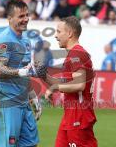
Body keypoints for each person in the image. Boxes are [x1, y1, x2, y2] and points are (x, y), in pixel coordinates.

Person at [0, 0, 46, 147]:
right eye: (21, 16)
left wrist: (32, 96)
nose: (26, 19)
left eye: (27, 15)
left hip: (24, 102)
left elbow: (25, 70)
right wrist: (20, 72)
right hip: (8, 103)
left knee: (31, 144)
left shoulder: (26, 39)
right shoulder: (3, 40)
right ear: (9, 18)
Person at [45, 16, 97, 147]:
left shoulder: (77, 54)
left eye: (58, 31)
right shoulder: (74, 54)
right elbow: (66, 83)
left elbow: (79, 85)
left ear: (69, 33)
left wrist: (55, 87)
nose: (56, 36)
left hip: (78, 115)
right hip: (70, 114)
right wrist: (45, 78)